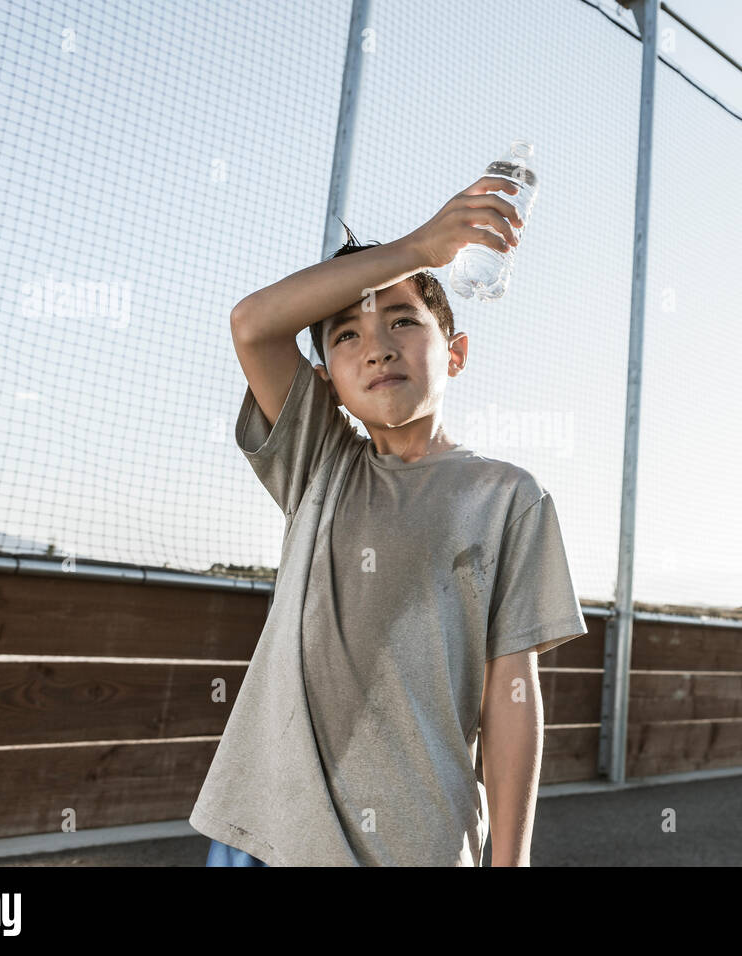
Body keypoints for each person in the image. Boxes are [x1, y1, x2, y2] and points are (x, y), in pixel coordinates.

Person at [192, 176, 587, 866]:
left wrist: (512, 860)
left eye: (403, 320)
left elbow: (511, 691)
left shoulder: (508, 498)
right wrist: (422, 248)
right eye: (347, 334)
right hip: (269, 835)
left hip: (417, 844)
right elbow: (253, 324)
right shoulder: (321, 463)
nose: (376, 346)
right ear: (327, 380)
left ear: (454, 353)